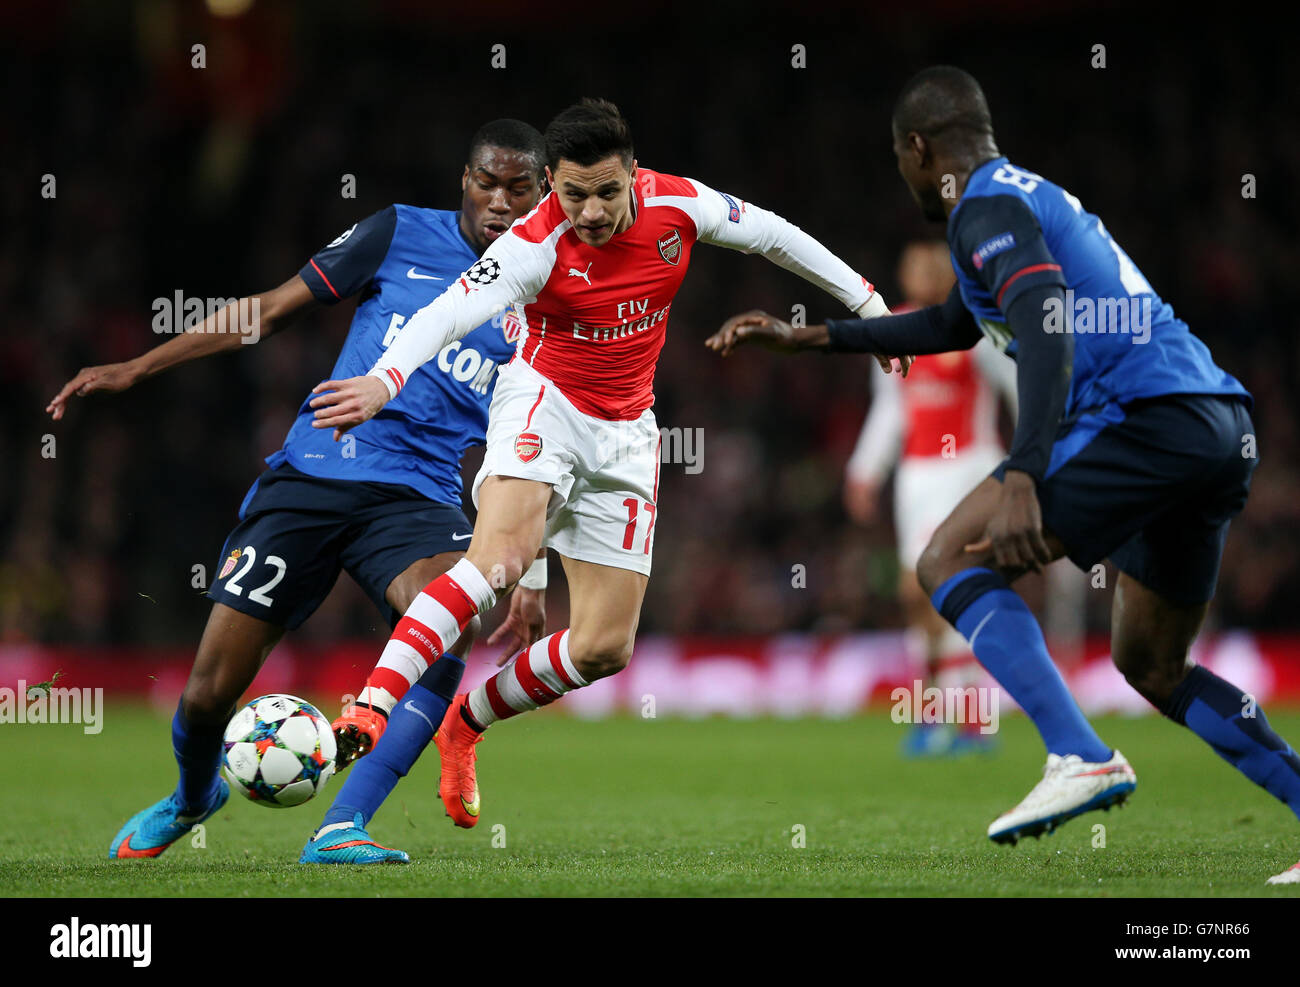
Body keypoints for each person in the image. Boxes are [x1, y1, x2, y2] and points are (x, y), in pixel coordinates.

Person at [710, 67, 1300, 881]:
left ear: (919, 149)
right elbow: (956, 321)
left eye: (900, 159)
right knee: (1153, 665)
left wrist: (1024, 469)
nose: (904, 175)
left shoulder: (985, 208)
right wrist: (811, 338)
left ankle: (1078, 752)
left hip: (1141, 420)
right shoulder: (1021, 198)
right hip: (1212, 425)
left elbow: (1048, 324)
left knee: (945, 560)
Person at [306, 97, 897, 837]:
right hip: (541, 402)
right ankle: (373, 700)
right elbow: (445, 313)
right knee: (498, 561)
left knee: (603, 647)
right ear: (552, 182)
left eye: (606, 193)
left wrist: (868, 304)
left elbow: (775, 237)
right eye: (572, 193)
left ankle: (466, 720)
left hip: (626, 431)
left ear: (634, 176)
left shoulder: (679, 205)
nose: (588, 211)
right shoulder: (531, 242)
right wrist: (386, 380)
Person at [47, 119, 551, 864]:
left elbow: (549, 437)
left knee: (448, 620)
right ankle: (193, 795)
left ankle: (341, 824)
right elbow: (271, 309)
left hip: (418, 498)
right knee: (206, 695)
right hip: (312, 478)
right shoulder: (398, 233)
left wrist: (531, 569)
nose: (501, 202)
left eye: (518, 187)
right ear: (464, 183)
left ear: (544, 192)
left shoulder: (555, 288)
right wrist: (138, 368)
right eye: (487, 182)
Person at [843, 240, 1015, 757]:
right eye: (913, 265)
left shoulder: (977, 328)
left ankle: (972, 722)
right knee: (915, 595)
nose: (920, 273)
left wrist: (1035, 457)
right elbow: (890, 409)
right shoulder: (895, 327)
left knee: (955, 587)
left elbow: (1018, 388)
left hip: (970, 467)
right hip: (917, 474)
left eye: (930, 266)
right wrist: (865, 471)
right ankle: (936, 715)